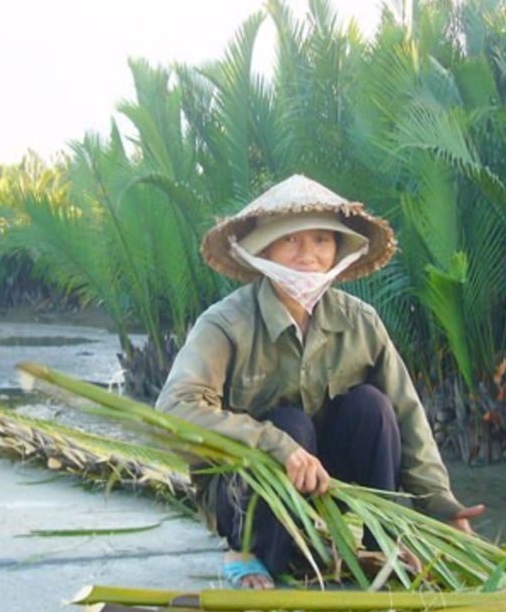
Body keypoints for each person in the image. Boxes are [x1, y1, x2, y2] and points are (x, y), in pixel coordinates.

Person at [155, 175, 484, 589]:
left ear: (337, 250)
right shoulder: (226, 323)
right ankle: (247, 551)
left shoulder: (360, 321)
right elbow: (174, 408)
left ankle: (378, 543)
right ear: (265, 249)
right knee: (289, 425)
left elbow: (407, 415)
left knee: (374, 408)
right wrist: (275, 444)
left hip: (325, 481)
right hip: (247, 492)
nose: (308, 254)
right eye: (291, 240)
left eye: (321, 240)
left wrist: (441, 504)